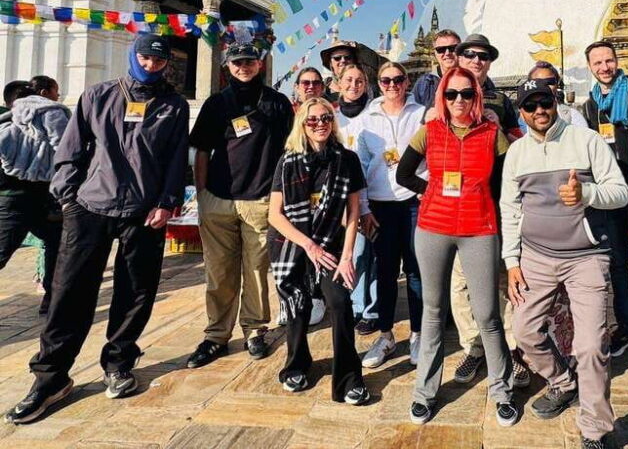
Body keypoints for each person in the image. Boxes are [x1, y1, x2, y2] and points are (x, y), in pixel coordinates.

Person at [4, 34, 189, 424]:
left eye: (159, 61)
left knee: (136, 290)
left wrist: (167, 201)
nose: (153, 66)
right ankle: (50, 377)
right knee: (70, 291)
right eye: (146, 58)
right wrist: (68, 197)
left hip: (144, 212)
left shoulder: (172, 104)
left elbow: (175, 157)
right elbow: (71, 149)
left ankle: (119, 361)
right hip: (91, 206)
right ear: (132, 56)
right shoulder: (98, 95)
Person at [501, 79, 628, 449]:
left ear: (555, 102)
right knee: (524, 331)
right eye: (530, 105)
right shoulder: (517, 152)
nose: (539, 110)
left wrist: (586, 194)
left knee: (590, 346)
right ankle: (562, 382)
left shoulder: (585, 141)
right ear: (522, 112)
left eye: (545, 101)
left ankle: (595, 428)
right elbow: (509, 210)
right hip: (536, 257)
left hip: (586, 257)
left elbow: (619, 192)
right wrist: (512, 261)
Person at [397, 67, 518, 427]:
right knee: (433, 312)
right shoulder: (430, 131)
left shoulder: (492, 133)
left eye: (466, 94)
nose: (459, 101)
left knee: (488, 314)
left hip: (479, 229)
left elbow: (504, 185)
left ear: (476, 96)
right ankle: (424, 392)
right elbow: (404, 174)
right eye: (452, 95)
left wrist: (482, 202)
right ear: (442, 98)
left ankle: (502, 390)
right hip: (433, 227)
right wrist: (430, 191)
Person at [186, 43, 294, 369]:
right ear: (228, 67)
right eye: (237, 62)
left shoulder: (276, 103)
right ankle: (216, 334)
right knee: (219, 273)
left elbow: (289, 151)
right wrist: (203, 193)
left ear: (259, 65)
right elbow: (201, 150)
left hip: (260, 198)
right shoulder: (217, 103)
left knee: (257, 271)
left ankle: (254, 330)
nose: (243, 66)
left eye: (249, 61)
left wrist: (280, 195)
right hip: (219, 198)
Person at [268, 98, 370, 405]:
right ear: (302, 124)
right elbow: (275, 214)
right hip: (293, 245)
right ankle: (297, 365)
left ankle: (349, 378)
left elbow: (353, 214)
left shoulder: (346, 159)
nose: (320, 124)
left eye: (326, 118)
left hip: (330, 245)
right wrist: (307, 244)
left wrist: (348, 255)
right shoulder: (287, 161)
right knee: (297, 307)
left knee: (339, 303)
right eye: (312, 120)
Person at [450, 33, 529, 388]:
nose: (477, 61)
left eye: (484, 56)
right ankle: (474, 346)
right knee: (461, 280)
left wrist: (499, 132)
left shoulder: (502, 101)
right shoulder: (444, 95)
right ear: (458, 57)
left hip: (497, 198)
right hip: (458, 202)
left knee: (504, 276)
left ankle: (514, 348)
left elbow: (519, 142)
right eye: (470, 54)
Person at [581, 40, 628, 359]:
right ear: (590, 67)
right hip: (611, 189)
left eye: (609, 61)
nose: (604, 67)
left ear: (617, 61)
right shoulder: (590, 106)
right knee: (618, 262)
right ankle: (627, 327)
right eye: (597, 63)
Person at [356, 61, 425, 369]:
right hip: (381, 205)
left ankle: (418, 333)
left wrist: (427, 189)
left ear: (407, 81)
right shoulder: (367, 119)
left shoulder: (421, 113)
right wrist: (365, 208)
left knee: (415, 270)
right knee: (384, 272)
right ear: (379, 83)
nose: (392, 85)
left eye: (398, 79)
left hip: (413, 202)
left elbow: (434, 154)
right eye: (386, 80)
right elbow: (360, 167)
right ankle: (385, 335)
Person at [0, 80, 68, 314]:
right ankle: (51, 297)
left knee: (57, 240)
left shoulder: (13, 123)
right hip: (19, 199)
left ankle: (52, 297)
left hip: (34, 197)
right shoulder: (15, 124)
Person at [335, 64, 378, 335]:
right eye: (348, 80)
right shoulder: (331, 116)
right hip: (339, 194)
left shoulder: (373, 114)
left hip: (370, 193)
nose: (354, 85)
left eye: (359, 80)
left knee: (367, 253)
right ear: (338, 84)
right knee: (347, 253)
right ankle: (352, 303)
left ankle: (369, 309)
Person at [411, 28, 461, 110]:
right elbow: (411, 113)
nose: (447, 53)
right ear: (435, 53)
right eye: (441, 49)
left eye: (453, 48)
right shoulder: (424, 83)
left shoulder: (474, 79)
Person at [528, 61, 588, 128]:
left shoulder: (573, 117)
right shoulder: (523, 118)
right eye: (538, 83)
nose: (544, 87)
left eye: (549, 82)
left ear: (557, 84)